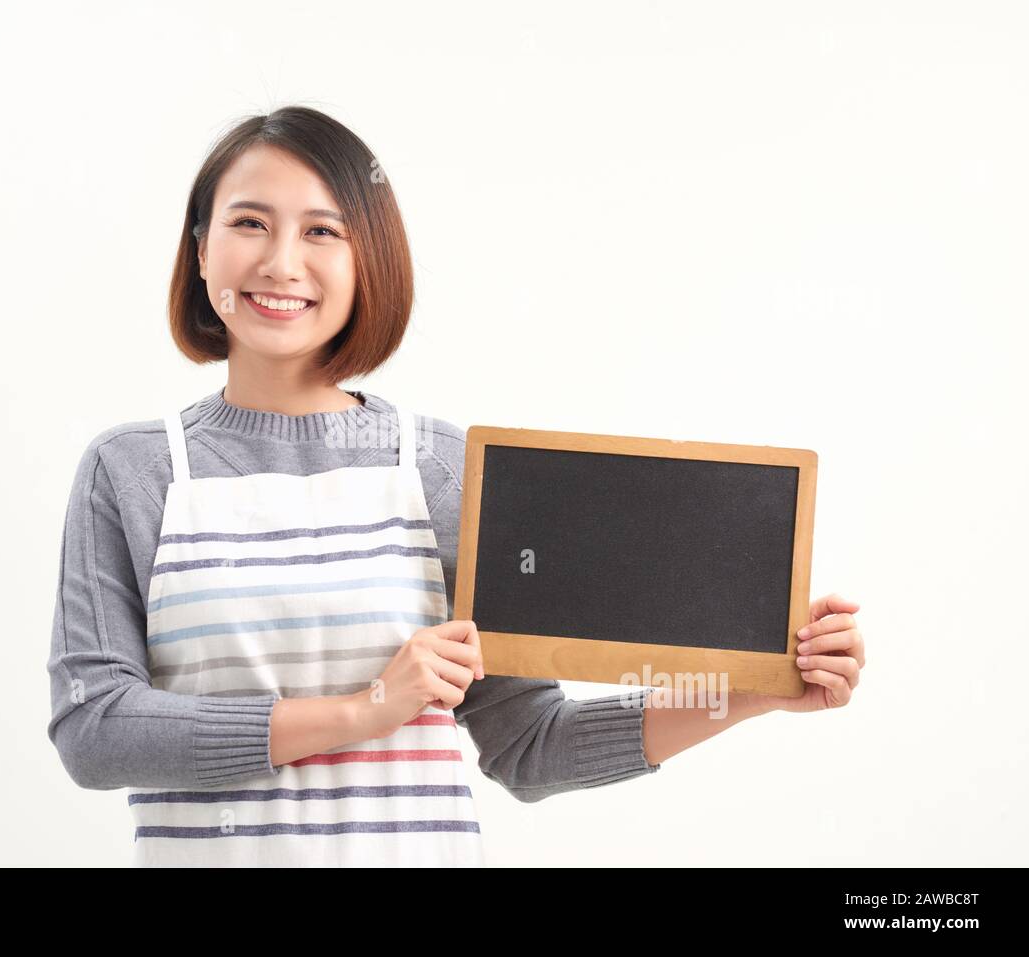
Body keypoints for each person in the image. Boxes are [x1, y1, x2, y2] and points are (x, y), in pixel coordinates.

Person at [45, 105, 866, 867]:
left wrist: (757, 691)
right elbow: (96, 727)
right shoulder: (134, 470)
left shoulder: (439, 468)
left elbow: (531, 745)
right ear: (199, 250)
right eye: (249, 222)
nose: (280, 261)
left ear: (369, 261)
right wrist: (362, 709)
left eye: (322, 230)